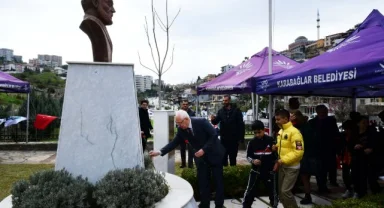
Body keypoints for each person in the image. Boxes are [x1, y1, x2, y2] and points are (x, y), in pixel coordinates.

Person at [150, 110, 225, 208]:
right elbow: (174, 143)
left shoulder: (201, 122)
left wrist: (204, 149)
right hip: (200, 158)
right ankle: (204, 204)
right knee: (203, 182)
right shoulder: (181, 130)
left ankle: (219, 205)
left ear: (186, 119)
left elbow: (214, 135)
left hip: (214, 154)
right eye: (177, 123)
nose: (179, 126)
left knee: (218, 181)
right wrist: (159, 152)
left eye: (180, 123)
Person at [272, 109, 304, 208]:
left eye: (278, 119)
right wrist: (276, 146)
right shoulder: (281, 131)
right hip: (282, 166)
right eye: (275, 119)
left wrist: (282, 160)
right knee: (281, 194)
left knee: (285, 191)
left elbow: (299, 151)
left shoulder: (295, 132)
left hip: (292, 167)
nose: (276, 121)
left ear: (286, 119)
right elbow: (286, 145)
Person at [242, 120, 277, 208]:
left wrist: (275, 151)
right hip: (255, 171)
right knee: (250, 191)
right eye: (255, 133)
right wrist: (253, 161)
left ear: (264, 130)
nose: (257, 134)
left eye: (259, 132)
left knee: (272, 192)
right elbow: (248, 156)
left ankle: (274, 205)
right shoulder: (251, 143)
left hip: (269, 171)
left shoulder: (271, 140)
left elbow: (276, 156)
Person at [308, 105, 340, 193]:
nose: (323, 114)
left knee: (331, 166)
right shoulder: (312, 122)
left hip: (329, 148)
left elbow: (336, 133)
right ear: (317, 112)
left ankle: (332, 181)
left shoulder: (331, 120)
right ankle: (321, 186)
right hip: (317, 149)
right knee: (320, 169)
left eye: (325, 112)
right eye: (321, 112)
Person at [291, 110, 319, 205]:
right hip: (309, 154)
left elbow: (300, 143)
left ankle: (307, 195)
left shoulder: (302, 129)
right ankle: (305, 194)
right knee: (304, 176)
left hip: (305, 155)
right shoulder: (307, 126)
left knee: (304, 176)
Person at [351, 116, 381, 198]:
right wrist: (355, 146)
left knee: (371, 177)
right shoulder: (354, 133)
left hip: (370, 158)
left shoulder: (371, 132)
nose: (365, 124)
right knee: (359, 176)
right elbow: (350, 145)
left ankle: (376, 193)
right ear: (358, 124)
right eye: (363, 123)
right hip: (358, 158)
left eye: (366, 122)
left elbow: (376, 143)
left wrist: (371, 148)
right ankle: (360, 192)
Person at [211, 95, 245, 166]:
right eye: (223, 101)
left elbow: (241, 125)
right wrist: (212, 119)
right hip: (224, 139)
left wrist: (241, 138)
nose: (224, 102)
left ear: (229, 101)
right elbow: (215, 122)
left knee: (233, 158)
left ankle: (233, 173)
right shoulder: (220, 111)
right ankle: (225, 173)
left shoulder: (237, 111)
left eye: (226, 100)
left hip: (234, 139)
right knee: (223, 158)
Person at [339, 120, 357, 199]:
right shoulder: (343, 136)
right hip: (345, 157)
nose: (347, 131)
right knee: (345, 175)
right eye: (345, 129)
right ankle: (349, 189)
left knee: (355, 174)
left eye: (348, 129)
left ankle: (356, 190)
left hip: (354, 157)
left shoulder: (356, 136)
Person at [179, 100, 196, 168]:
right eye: (183, 104)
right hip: (181, 133)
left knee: (190, 150)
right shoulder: (179, 112)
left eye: (186, 104)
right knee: (182, 149)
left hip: (189, 133)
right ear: (181, 105)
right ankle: (183, 164)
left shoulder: (192, 112)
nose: (185, 105)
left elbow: (193, 122)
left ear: (188, 105)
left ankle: (190, 165)